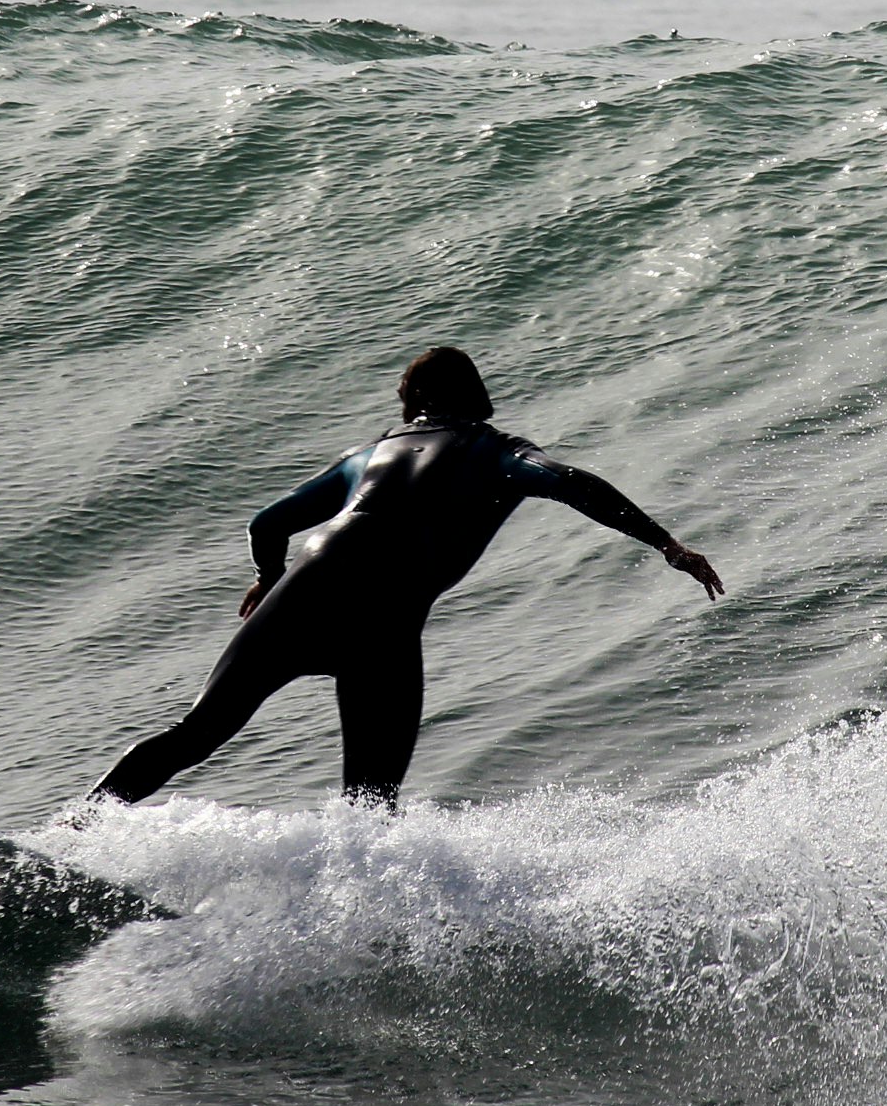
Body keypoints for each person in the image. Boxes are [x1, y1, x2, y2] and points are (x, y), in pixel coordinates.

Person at [93, 346, 722, 809]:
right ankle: (360, 925)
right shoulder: (497, 452)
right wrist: (665, 542)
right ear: (475, 396)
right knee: (370, 799)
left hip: (307, 593)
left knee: (194, 734)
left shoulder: (366, 457)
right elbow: (570, 484)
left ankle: (77, 830)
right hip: (385, 622)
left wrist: (268, 578)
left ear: (414, 404)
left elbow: (267, 523)